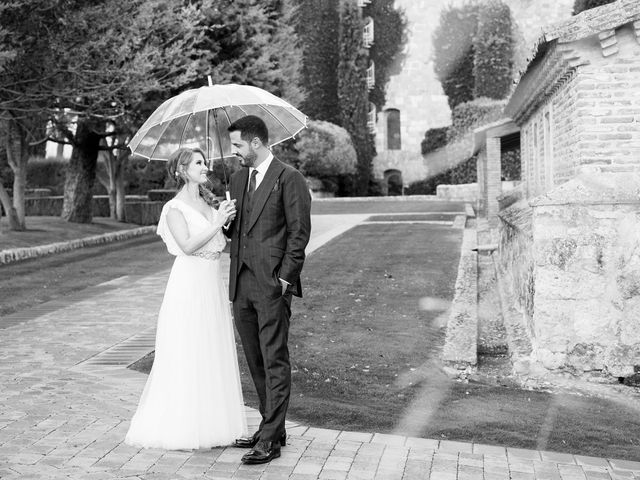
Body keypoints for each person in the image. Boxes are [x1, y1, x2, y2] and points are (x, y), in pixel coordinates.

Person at [125, 147, 247, 450]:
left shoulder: (209, 201)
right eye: (198, 163)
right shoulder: (174, 208)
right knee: (189, 348)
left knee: (211, 348)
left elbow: (220, 242)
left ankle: (216, 425)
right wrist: (218, 222)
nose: (205, 167)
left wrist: (228, 219)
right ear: (182, 170)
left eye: (204, 162)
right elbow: (188, 245)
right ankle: (184, 426)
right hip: (189, 283)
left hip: (211, 283)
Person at [225, 115, 311, 464]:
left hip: (273, 284)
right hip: (241, 284)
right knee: (256, 360)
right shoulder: (236, 178)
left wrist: (285, 280)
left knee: (274, 358)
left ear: (256, 143)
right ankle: (271, 428)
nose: (235, 153)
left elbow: (298, 234)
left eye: (238, 146)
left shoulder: (290, 179)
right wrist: (227, 219)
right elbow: (238, 233)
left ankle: (270, 441)